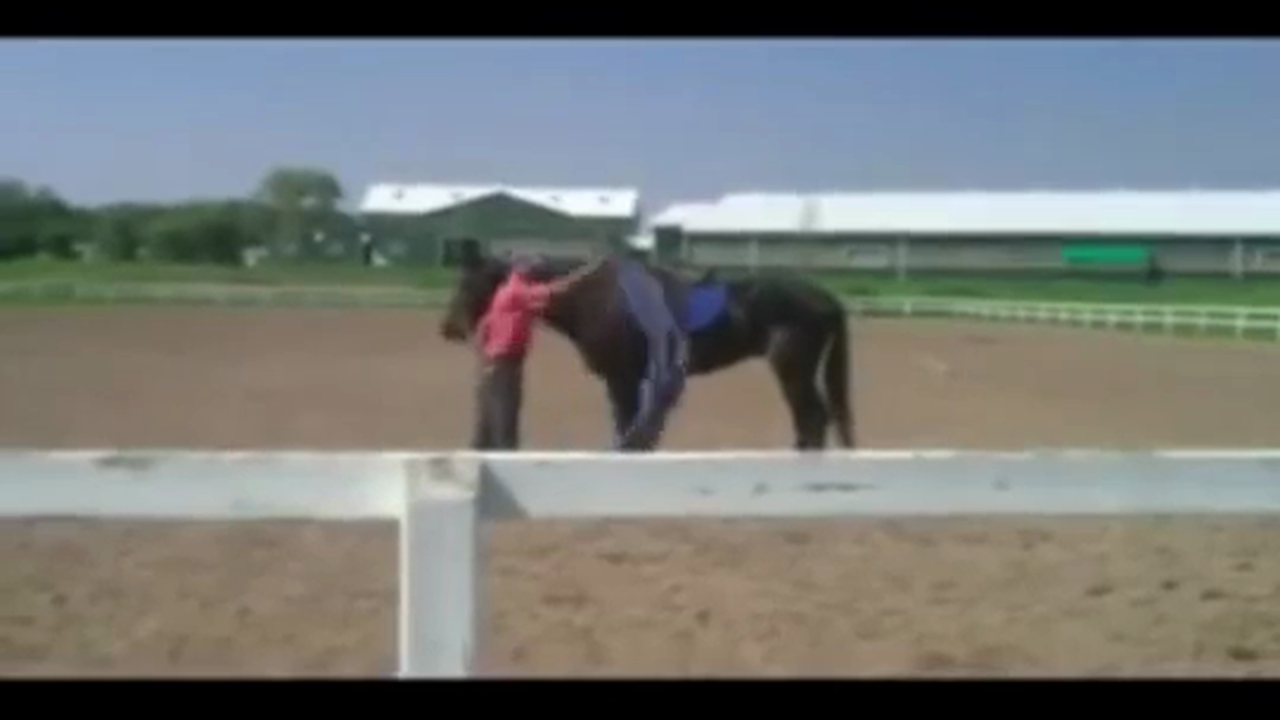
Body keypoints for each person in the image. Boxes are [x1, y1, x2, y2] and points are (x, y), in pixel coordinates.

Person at [471, 254, 606, 450]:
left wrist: (485, 358)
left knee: (490, 419)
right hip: (504, 364)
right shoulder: (516, 291)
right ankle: (507, 461)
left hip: (497, 363)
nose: (537, 273)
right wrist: (586, 274)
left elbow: (484, 327)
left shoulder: (507, 292)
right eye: (533, 269)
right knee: (504, 417)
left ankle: (483, 454)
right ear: (522, 271)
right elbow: (558, 289)